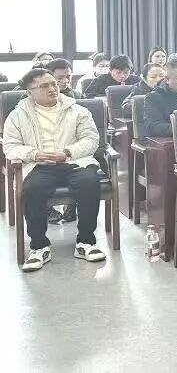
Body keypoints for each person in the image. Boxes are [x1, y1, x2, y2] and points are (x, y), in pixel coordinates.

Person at [3, 68, 107, 272]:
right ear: (30, 92)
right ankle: (39, 247)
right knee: (33, 189)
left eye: (53, 84)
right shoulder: (17, 115)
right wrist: (34, 154)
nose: (52, 89)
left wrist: (67, 152)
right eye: (44, 86)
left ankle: (86, 242)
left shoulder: (77, 110)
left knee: (89, 182)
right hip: (39, 164)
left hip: (75, 161)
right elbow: (10, 146)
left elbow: (91, 139)